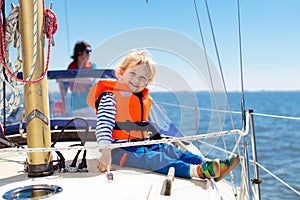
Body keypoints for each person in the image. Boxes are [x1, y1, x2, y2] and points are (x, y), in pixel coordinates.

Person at [86, 49, 239, 182]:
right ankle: (197, 171)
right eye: (132, 73)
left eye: (142, 78)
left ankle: (209, 163)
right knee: (156, 160)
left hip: (140, 145)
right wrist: (105, 153)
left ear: (147, 83)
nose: (136, 80)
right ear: (121, 73)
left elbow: (142, 125)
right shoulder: (110, 97)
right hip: (119, 151)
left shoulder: (141, 99)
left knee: (170, 150)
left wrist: (156, 139)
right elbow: (104, 124)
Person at [56, 41, 96, 116]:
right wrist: (61, 81)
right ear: (79, 52)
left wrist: (68, 79)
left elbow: (89, 80)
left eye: (90, 51)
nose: (89, 53)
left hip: (90, 107)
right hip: (76, 108)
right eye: (87, 51)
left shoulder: (92, 66)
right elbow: (64, 92)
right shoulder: (71, 68)